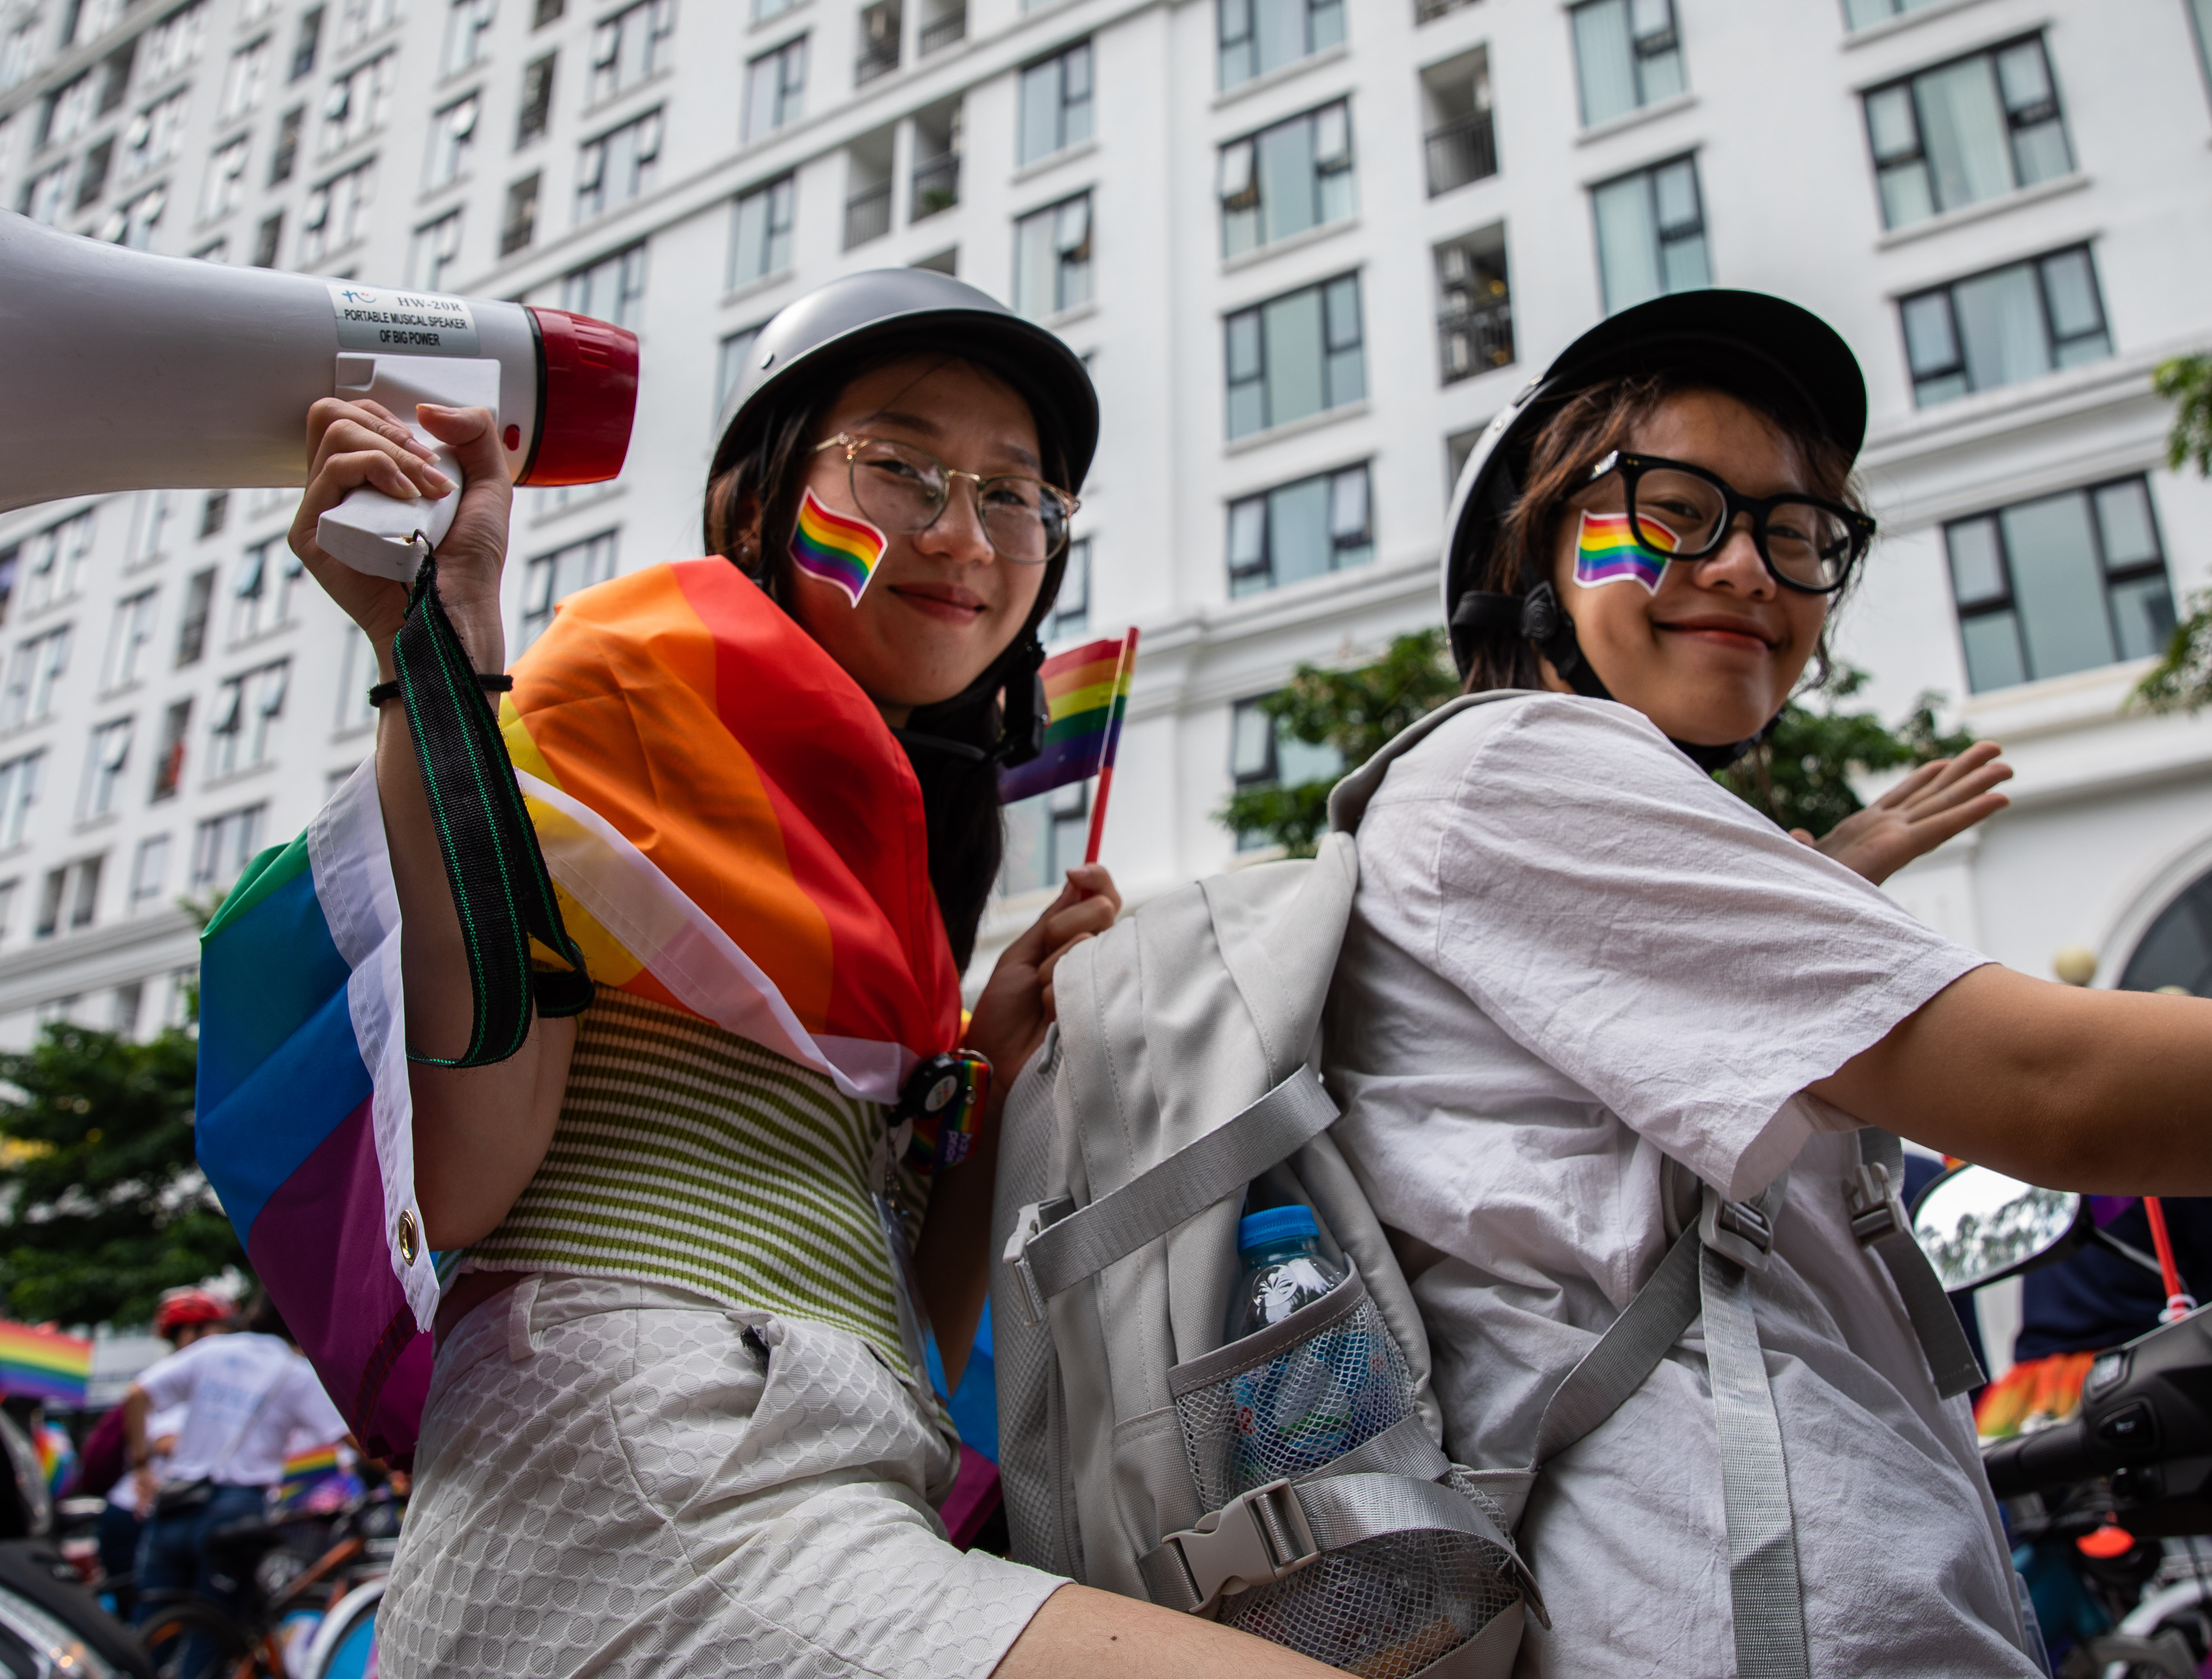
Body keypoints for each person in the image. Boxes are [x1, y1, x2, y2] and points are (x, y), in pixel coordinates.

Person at [1327, 287, 2212, 1677]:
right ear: (1532, 544)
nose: (1749, 566)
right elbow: (2057, 1087)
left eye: (1797, 532)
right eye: (1674, 508)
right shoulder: (1511, 765)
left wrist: (1823, 876)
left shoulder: (1548, 807)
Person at [281, 270, 1326, 1677]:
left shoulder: (881, 846)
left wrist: (986, 1058)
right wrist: (441, 642)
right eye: (896, 465)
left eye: (1016, 493)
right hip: (642, 1487)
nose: (963, 531)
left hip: (828, 1475)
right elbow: (462, 1176)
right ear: (750, 501)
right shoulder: (631, 677)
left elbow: (916, 1327)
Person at [123, 1290, 337, 1626]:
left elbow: (137, 1393)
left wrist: (142, 1469)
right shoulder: (294, 1372)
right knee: (216, 1631)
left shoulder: (211, 1351)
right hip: (236, 1509)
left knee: (154, 1624)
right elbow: (351, 1438)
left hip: (177, 1501)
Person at [91, 1287, 228, 1611]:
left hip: (158, 1513)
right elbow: (166, 1440)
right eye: (213, 1331)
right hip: (137, 1516)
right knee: (151, 1617)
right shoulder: (171, 1383)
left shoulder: (187, 1378)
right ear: (187, 1333)